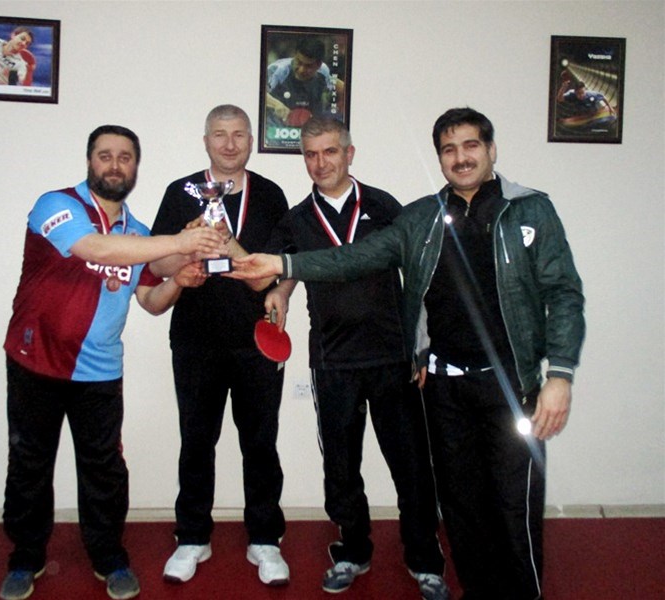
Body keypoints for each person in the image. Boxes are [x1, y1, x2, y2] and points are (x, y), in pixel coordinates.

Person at [228, 107, 586, 600]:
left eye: (470, 146)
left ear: (490, 149)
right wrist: (282, 274)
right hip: (422, 379)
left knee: (506, 502)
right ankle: (437, 577)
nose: (460, 158)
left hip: (488, 379)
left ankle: (479, 578)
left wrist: (559, 374)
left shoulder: (523, 210)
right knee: (455, 502)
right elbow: (352, 257)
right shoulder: (419, 216)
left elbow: (562, 292)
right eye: (449, 149)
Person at [0, 125, 223, 600]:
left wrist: (180, 280)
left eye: (125, 157)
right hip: (35, 360)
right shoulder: (56, 205)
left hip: (100, 370)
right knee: (29, 464)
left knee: (104, 469)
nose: (115, 165)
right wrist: (179, 242)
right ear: (89, 161)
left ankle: (108, 556)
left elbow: (151, 301)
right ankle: (25, 557)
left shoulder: (137, 233)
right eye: (105, 155)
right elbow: (95, 249)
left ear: (135, 167)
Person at [251, 117, 449, 598]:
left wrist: (423, 346)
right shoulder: (296, 219)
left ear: (349, 153)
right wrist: (281, 290)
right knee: (340, 468)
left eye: (330, 152)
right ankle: (353, 550)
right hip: (333, 360)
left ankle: (425, 558)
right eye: (311, 154)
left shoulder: (384, 206)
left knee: (411, 465)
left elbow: (420, 277)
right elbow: (272, 271)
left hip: (393, 357)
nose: (320, 163)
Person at [149, 105, 291, 586]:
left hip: (255, 342)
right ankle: (192, 537)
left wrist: (232, 248)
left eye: (239, 135)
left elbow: (275, 272)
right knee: (196, 440)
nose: (230, 144)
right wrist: (184, 247)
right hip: (195, 340)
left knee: (260, 442)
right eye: (220, 134)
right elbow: (157, 267)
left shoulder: (270, 195)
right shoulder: (181, 192)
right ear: (205, 140)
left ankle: (265, 539)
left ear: (251, 140)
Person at [265, 36, 346, 127]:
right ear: (295, 55)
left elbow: (340, 86)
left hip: (309, 127)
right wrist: (276, 104)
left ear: (318, 65)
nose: (301, 70)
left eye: (308, 66)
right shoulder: (277, 70)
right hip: (275, 129)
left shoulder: (323, 71)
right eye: (299, 62)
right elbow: (259, 92)